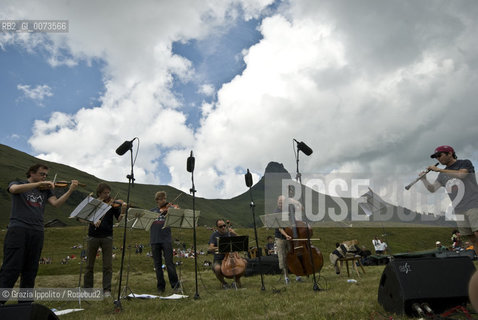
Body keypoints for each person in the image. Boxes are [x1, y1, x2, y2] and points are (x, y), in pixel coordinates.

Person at [0, 163, 78, 303]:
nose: (44, 177)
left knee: (31, 270)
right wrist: (37, 185)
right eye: (42, 174)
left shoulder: (45, 191)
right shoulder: (19, 183)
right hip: (18, 230)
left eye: (46, 175)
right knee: (11, 268)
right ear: (31, 173)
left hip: (37, 231)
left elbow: (56, 204)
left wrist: (70, 190)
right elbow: (13, 189)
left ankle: (25, 304)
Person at [420, 145, 478, 255]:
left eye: (439, 155)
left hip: (474, 203)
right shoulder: (442, 174)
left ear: (450, 153)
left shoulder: (464, 163)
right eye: (436, 157)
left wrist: (439, 169)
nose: (438, 158)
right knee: (472, 239)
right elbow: (432, 189)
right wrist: (424, 179)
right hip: (459, 208)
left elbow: (462, 174)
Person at [84, 183, 125, 297]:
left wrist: (122, 211)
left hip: (107, 236)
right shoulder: (93, 203)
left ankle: (107, 290)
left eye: (108, 193)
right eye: (105, 193)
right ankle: (87, 290)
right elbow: (84, 217)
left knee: (107, 265)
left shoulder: (112, 204)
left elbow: (119, 220)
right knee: (89, 265)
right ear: (99, 193)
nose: (107, 195)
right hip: (92, 236)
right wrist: (93, 220)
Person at [150, 191, 179, 294]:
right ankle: (160, 287)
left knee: (169, 263)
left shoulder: (169, 210)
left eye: (165, 198)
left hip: (166, 239)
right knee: (157, 265)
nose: (164, 200)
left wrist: (173, 210)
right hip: (154, 240)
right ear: (157, 200)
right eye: (161, 199)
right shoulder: (152, 211)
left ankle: (175, 286)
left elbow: (177, 213)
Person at [274, 195, 302, 284]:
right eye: (279, 202)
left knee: (293, 256)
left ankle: (297, 275)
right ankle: (286, 277)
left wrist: (295, 201)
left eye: (282, 202)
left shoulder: (290, 209)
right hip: (280, 238)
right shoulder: (276, 212)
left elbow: (301, 209)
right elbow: (280, 228)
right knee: (283, 257)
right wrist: (286, 235)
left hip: (290, 236)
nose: (281, 204)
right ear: (277, 202)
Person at [207, 219, 242, 288]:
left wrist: (234, 233)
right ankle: (224, 283)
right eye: (220, 227)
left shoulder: (229, 233)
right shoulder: (214, 235)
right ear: (217, 228)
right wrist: (221, 247)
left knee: (244, 263)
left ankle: (236, 281)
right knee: (217, 268)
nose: (223, 227)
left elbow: (240, 241)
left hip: (231, 256)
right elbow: (210, 248)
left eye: (224, 225)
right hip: (219, 259)